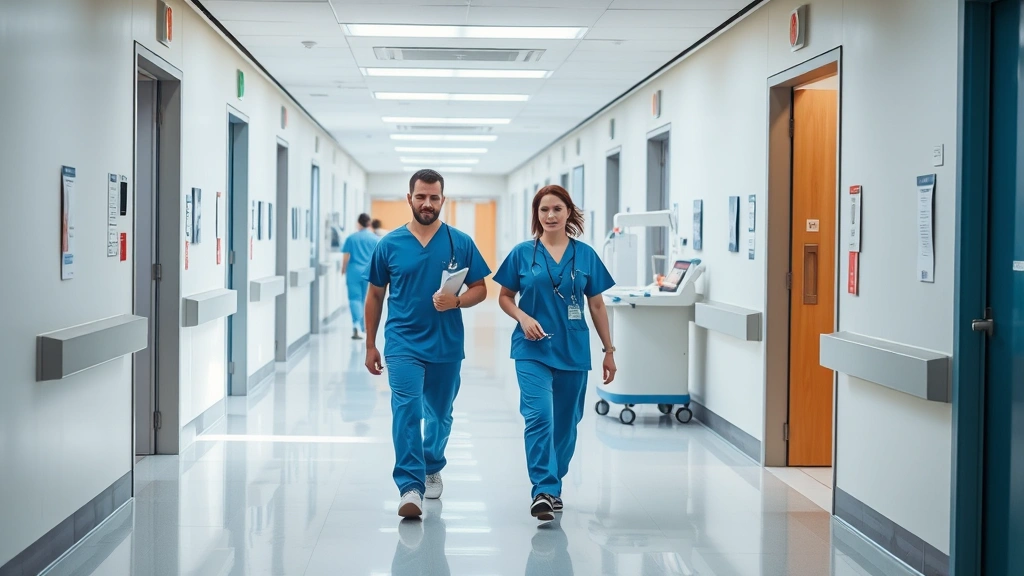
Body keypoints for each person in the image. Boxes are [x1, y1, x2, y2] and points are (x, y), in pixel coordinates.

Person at [364, 169, 492, 518]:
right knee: (407, 409)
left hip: (446, 344)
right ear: (409, 198)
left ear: (442, 200)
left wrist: (458, 302)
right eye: (420, 196)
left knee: (440, 414)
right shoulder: (389, 244)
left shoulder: (459, 242)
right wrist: (370, 345)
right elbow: (375, 295)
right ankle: (410, 486)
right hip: (402, 342)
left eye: (434, 197)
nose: (427, 203)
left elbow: (481, 288)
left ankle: (431, 462)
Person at [493, 184, 616, 522]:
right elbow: (504, 296)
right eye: (543, 210)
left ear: (568, 213)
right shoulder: (522, 253)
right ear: (537, 215)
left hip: (573, 349)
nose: (550, 216)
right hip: (531, 349)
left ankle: (553, 483)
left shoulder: (586, 254)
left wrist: (608, 350)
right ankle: (543, 489)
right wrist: (522, 316)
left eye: (557, 209)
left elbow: (597, 304)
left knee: (567, 423)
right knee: (539, 417)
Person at [342, 213, 379, 340]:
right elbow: (378, 258)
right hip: (369, 272)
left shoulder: (351, 238)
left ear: (358, 223)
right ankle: (365, 327)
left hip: (353, 271)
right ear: (369, 223)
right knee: (366, 299)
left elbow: (346, 256)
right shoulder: (375, 239)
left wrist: (343, 269)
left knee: (354, 298)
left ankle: (356, 325)